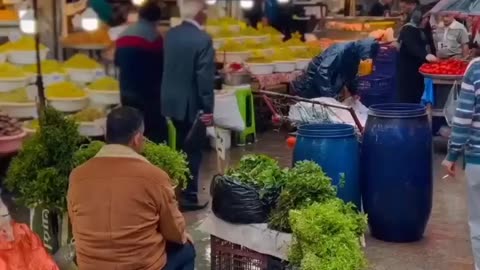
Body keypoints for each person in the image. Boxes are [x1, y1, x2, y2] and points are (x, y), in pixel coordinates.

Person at [68, 107, 195, 270]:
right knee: (186, 248)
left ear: (106, 135)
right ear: (137, 138)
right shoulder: (155, 177)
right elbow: (175, 232)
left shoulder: (77, 176)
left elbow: (75, 224)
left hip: (91, 266)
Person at [161, 0, 214, 211]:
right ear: (200, 14)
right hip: (191, 105)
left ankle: (176, 190)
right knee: (192, 150)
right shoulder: (202, 39)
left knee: (179, 148)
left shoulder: (171, 35)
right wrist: (208, 110)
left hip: (170, 101)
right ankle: (189, 195)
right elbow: (204, 79)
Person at [442, 59, 480, 270]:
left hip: (478, 159)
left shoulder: (475, 69)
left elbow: (464, 117)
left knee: (478, 223)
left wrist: (452, 154)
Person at [115, 0, 168, 144]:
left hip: (126, 92)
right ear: (157, 19)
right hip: (147, 96)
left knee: (131, 129)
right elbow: (159, 68)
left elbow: (117, 62)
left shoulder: (123, 35)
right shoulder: (154, 38)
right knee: (155, 134)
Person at [292, 38, 379, 99]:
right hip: (310, 86)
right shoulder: (339, 50)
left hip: (326, 89)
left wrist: (354, 92)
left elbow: (351, 75)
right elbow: (322, 72)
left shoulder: (354, 56)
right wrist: (330, 97)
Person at [396, 0, 438, 103]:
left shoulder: (424, 28)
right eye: (425, 18)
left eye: (428, 18)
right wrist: (426, 55)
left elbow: (430, 43)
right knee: (409, 96)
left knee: (419, 94)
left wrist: (434, 56)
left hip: (420, 69)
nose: (426, 20)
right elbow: (412, 46)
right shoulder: (408, 29)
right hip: (408, 70)